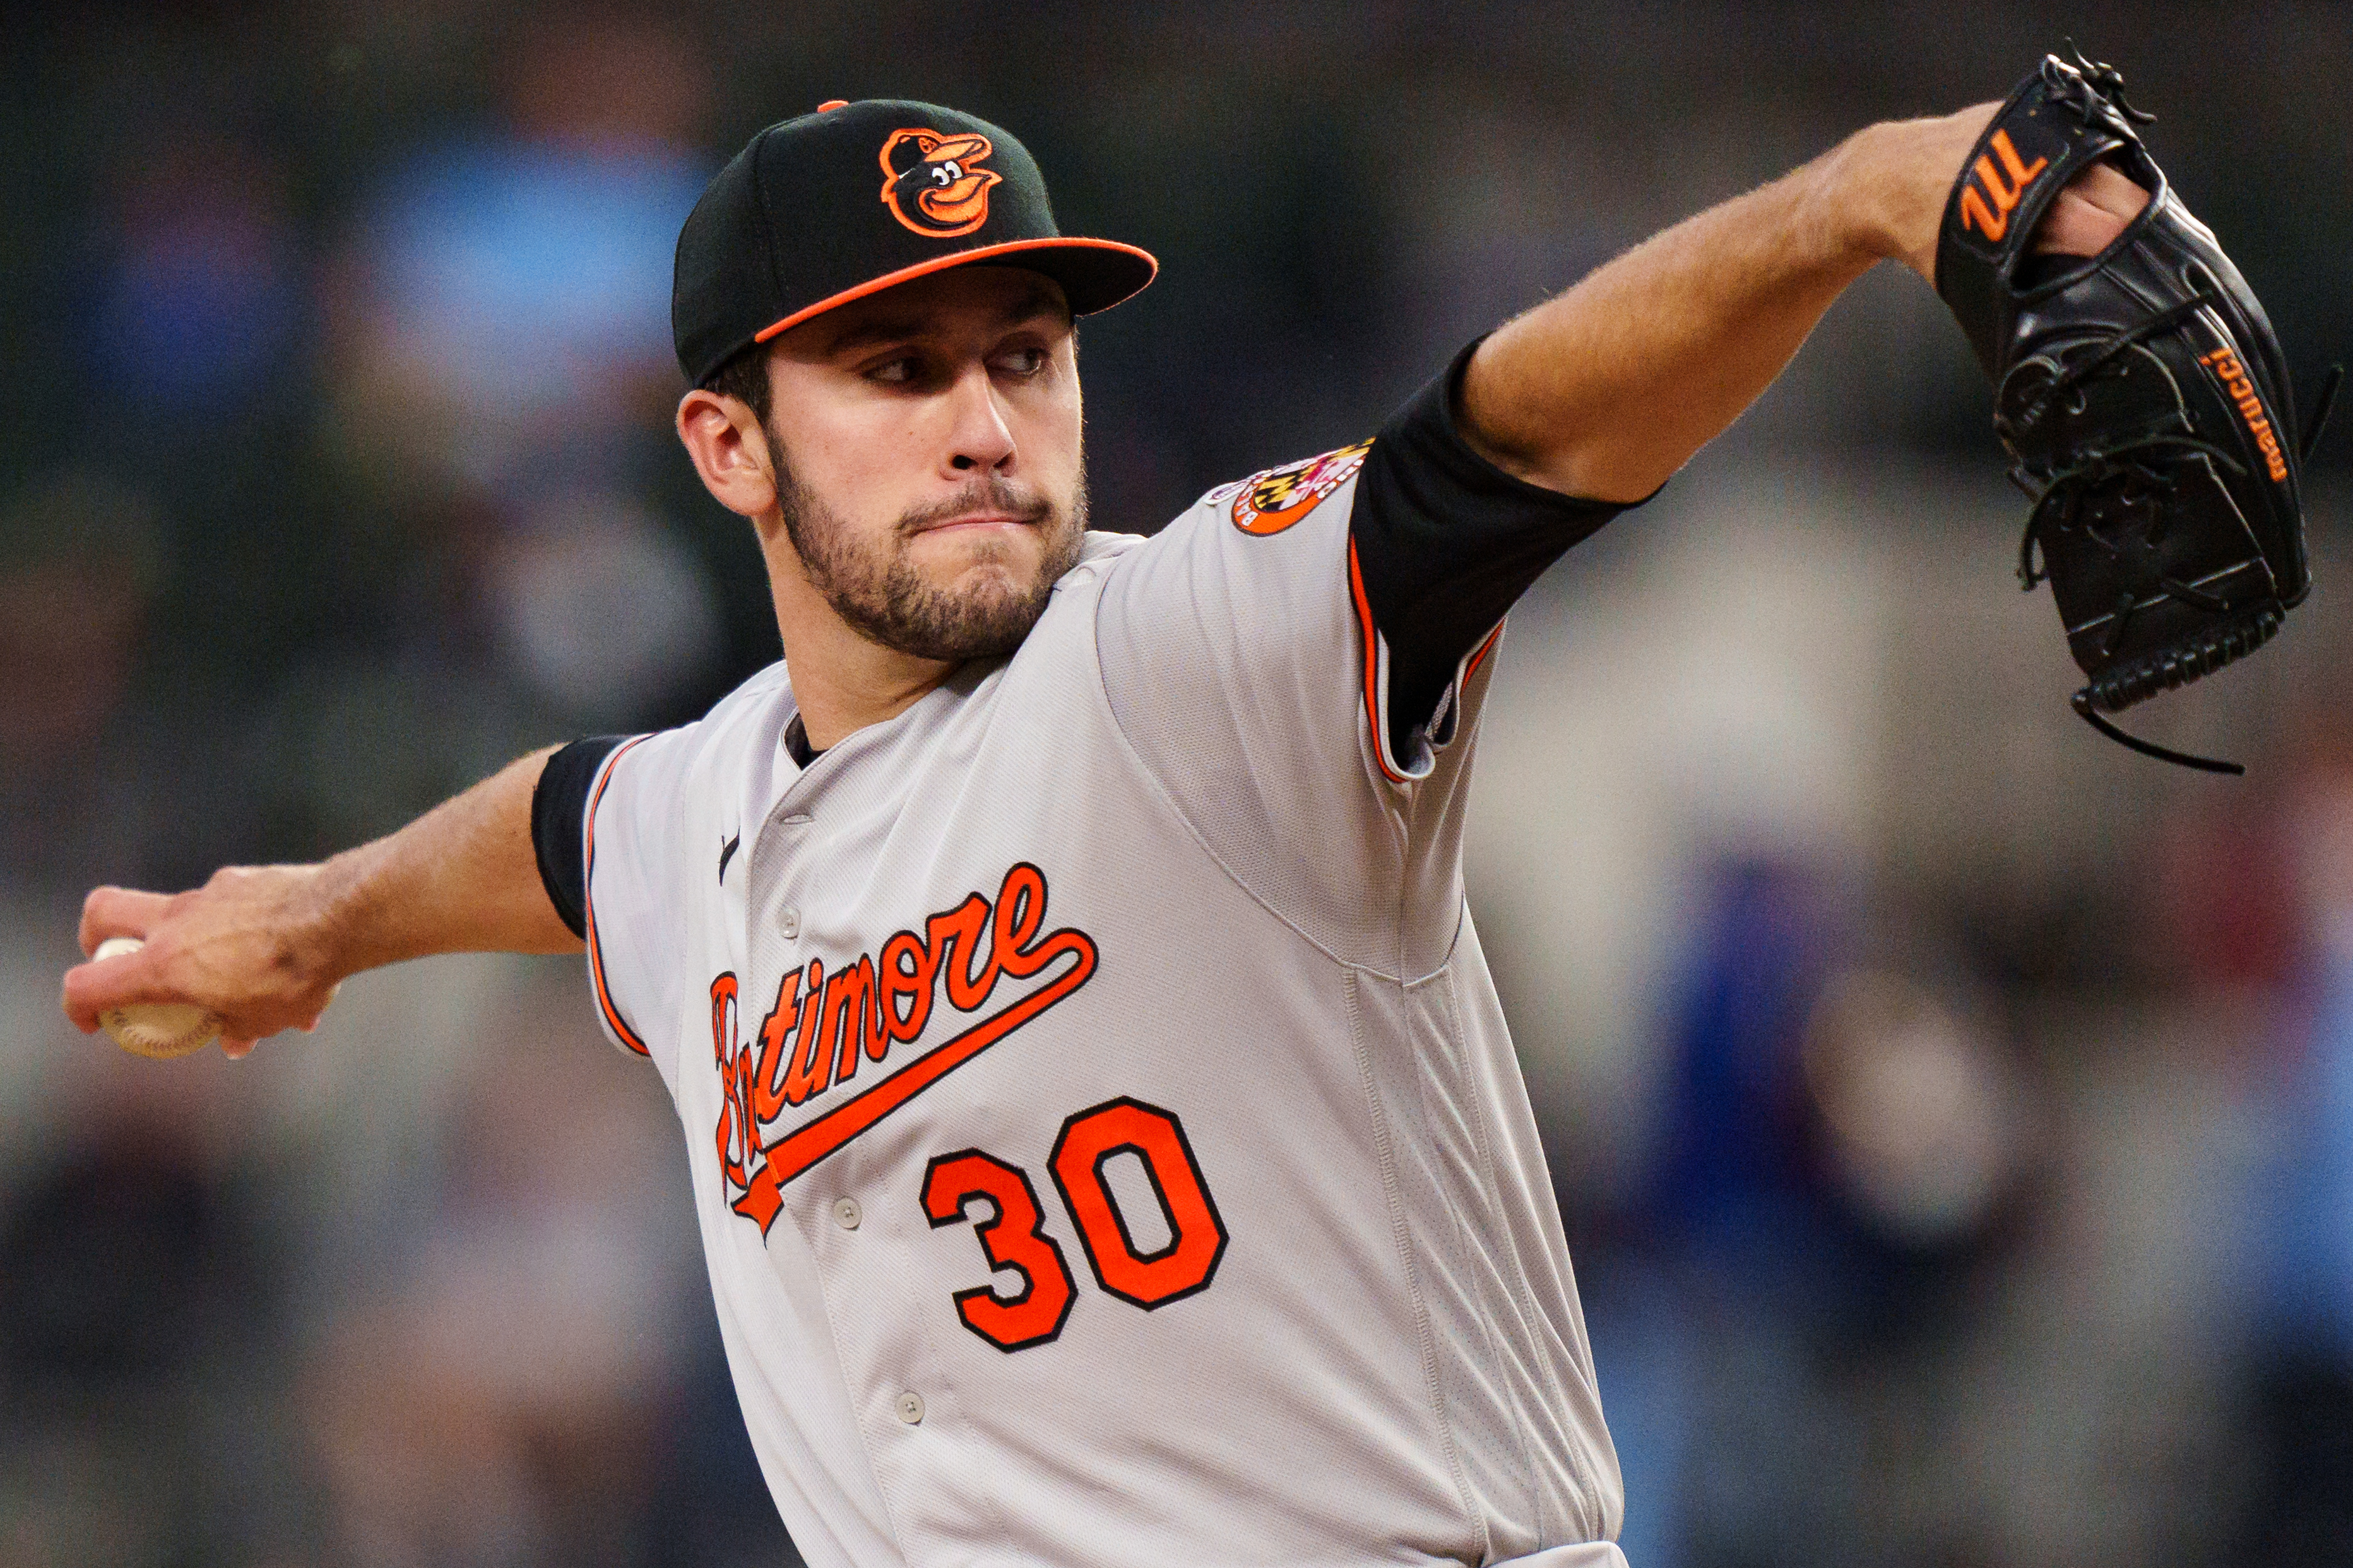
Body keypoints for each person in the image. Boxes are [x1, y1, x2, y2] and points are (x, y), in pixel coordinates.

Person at [62, 95, 2143, 1567]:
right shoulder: (697, 808)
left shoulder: (1189, 654)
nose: (987, 421)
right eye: (896, 365)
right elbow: (553, 831)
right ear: (725, 444)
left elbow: (1510, 438)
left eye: (1025, 355)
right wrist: (318, 924)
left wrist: (1857, 202)